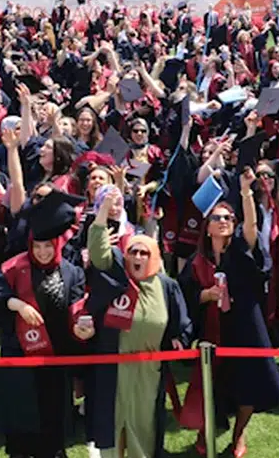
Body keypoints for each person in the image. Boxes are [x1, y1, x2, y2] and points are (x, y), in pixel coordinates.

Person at [178, 168, 279, 457]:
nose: (223, 221)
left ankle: (238, 435)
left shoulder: (241, 249)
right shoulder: (198, 260)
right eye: (217, 218)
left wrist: (246, 192)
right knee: (212, 385)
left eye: (227, 218)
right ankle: (205, 430)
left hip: (246, 325)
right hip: (213, 330)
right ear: (207, 225)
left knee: (248, 383)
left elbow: (251, 226)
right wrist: (205, 295)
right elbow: (184, 296)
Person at [83, 187, 191, 458]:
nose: (138, 257)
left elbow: (182, 324)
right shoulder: (117, 276)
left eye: (144, 253)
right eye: (133, 252)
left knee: (144, 428)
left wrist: (182, 341)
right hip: (114, 367)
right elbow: (98, 251)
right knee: (112, 428)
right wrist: (104, 210)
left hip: (149, 370)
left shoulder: (167, 287)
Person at [0, 190, 88, 458]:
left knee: (53, 428)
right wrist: (17, 304)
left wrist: (81, 326)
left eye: (48, 246)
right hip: (20, 359)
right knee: (22, 427)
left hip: (55, 359)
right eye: (37, 246)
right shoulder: (14, 267)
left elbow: (77, 306)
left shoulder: (71, 272)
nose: (42, 251)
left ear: (57, 245)